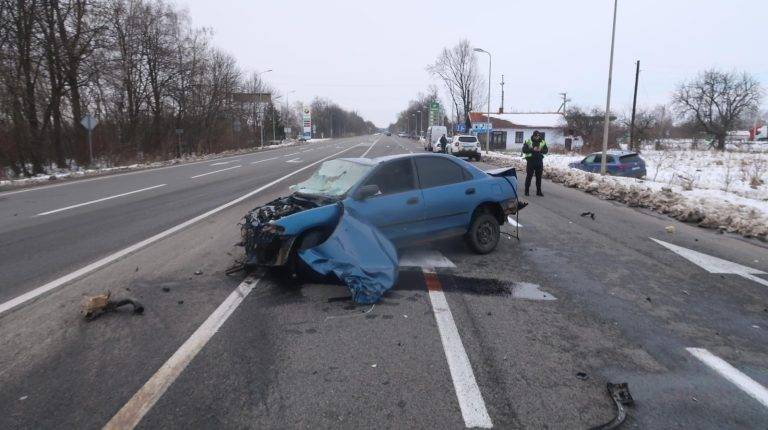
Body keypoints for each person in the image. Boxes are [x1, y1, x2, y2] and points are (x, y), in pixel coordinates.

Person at [522, 130, 548, 196]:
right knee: (529, 176)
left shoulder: (542, 142)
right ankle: (526, 191)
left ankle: (538, 191)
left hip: (539, 161)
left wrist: (541, 150)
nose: (537, 137)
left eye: (538, 136)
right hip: (531, 161)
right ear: (533, 136)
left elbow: (546, 150)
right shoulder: (528, 141)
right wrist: (532, 149)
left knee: (539, 177)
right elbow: (524, 150)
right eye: (536, 136)